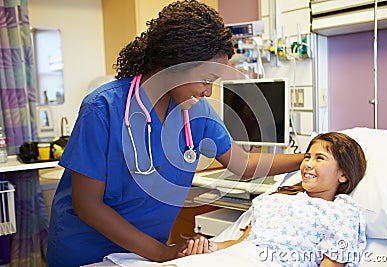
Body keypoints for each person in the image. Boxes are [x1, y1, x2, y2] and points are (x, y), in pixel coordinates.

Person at [46, 1, 304, 266]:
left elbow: (243, 164)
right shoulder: (103, 108)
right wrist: (162, 253)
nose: (209, 91)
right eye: (207, 79)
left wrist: (307, 158)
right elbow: (88, 204)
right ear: (177, 62)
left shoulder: (196, 112)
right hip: (86, 253)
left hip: (145, 254)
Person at [184, 132, 367, 267]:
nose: (308, 164)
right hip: (238, 257)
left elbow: (333, 262)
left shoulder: (341, 212)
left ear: (343, 174)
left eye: (320, 158)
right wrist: (211, 247)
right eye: (307, 157)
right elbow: (244, 242)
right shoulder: (276, 199)